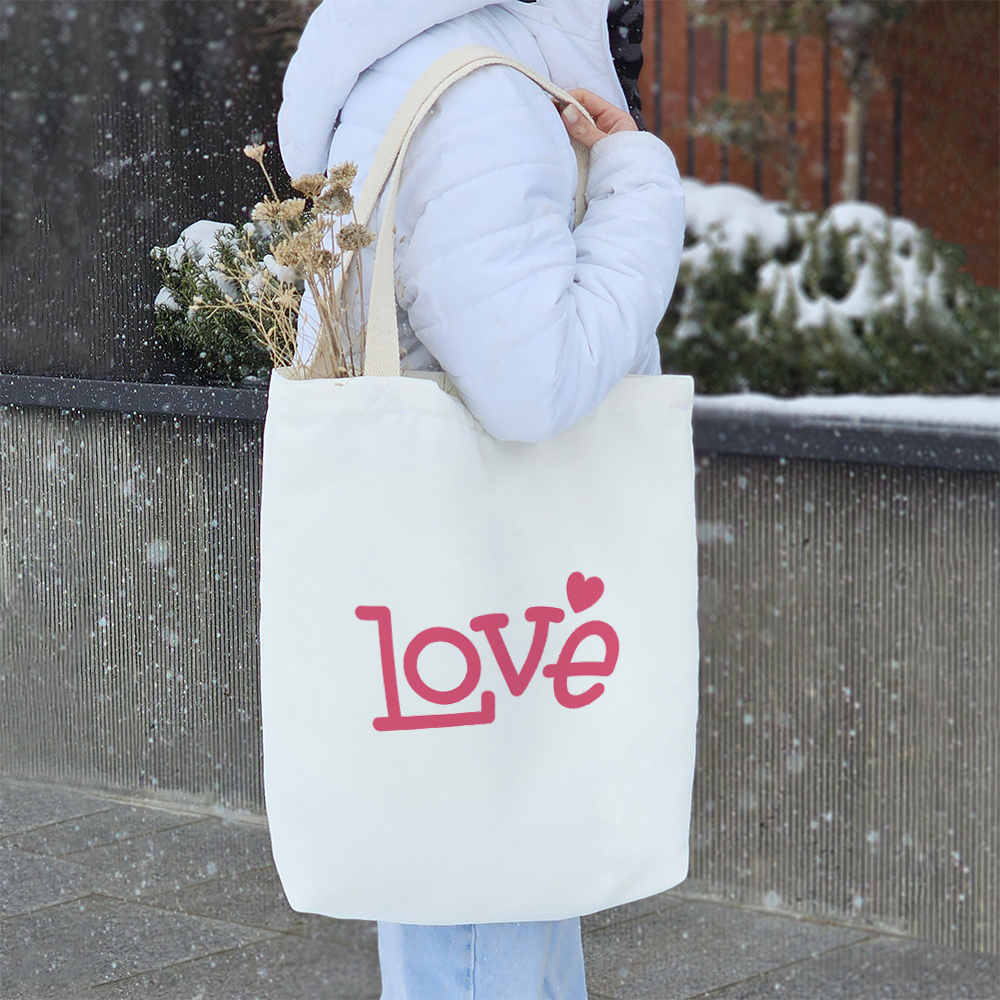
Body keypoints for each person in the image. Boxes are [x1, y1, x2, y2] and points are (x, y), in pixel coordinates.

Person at [278, 1, 685, 996]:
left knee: (489, 884)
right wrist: (637, 185)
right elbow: (533, 383)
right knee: (483, 910)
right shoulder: (479, 94)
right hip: (494, 620)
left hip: (468, 621)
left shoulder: (432, 60)